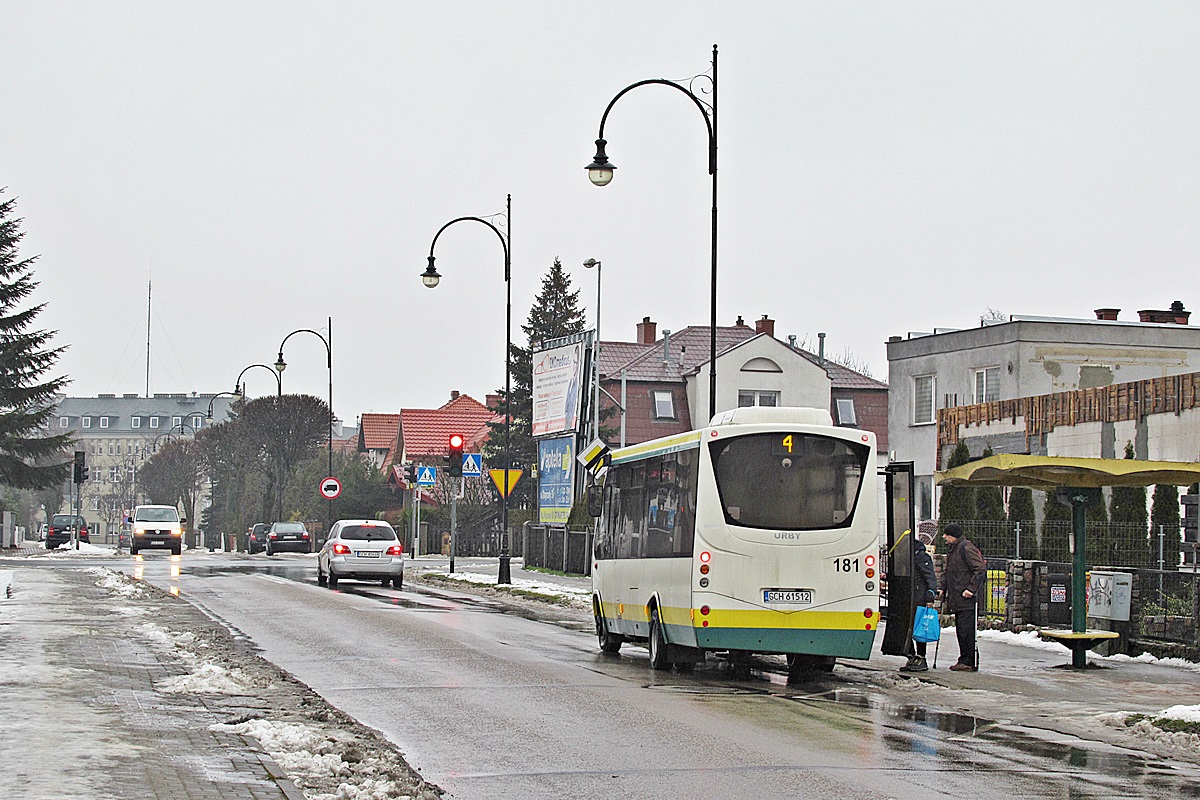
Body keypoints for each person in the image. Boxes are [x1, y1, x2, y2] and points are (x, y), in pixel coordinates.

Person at [942, 523, 987, 672]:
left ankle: (968, 661)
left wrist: (971, 589)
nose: (944, 537)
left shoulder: (965, 548)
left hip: (966, 599)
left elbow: (979, 569)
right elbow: (950, 572)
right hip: (958, 598)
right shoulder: (953, 549)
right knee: (962, 631)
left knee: (967, 631)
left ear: (953, 535)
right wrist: (943, 588)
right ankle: (965, 659)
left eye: (947, 535)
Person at [900, 531, 938, 672]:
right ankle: (912, 656)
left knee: (919, 628)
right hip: (910, 597)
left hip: (919, 598)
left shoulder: (920, 557)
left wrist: (930, 594)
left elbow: (930, 577)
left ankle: (921, 657)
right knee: (907, 628)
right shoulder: (908, 556)